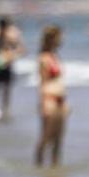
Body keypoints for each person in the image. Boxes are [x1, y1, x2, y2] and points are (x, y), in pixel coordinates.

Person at [35, 25, 69, 167]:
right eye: (59, 38)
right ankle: (39, 167)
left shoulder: (55, 57)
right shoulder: (43, 58)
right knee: (46, 138)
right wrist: (43, 103)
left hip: (61, 101)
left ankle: (54, 171)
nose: (62, 40)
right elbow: (43, 83)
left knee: (58, 140)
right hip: (49, 100)